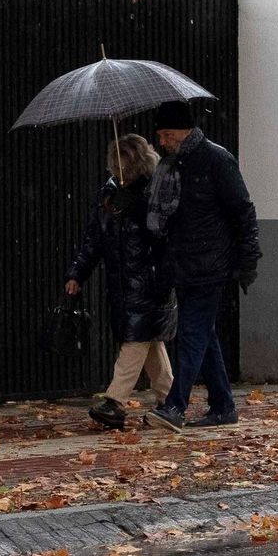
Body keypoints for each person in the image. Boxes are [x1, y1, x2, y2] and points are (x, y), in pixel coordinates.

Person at [144, 100, 261, 433]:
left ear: (184, 130)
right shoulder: (172, 165)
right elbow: (166, 216)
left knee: (192, 335)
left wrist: (248, 259)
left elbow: (243, 211)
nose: (162, 142)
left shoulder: (216, 160)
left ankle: (175, 406)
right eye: (160, 135)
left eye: (167, 134)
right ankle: (223, 405)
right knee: (203, 336)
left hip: (210, 265)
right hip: (183, 264)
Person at [64, 134, 178, 430]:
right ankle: (172, 400)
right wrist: (77, 273)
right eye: (116, 168)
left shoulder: (154, 191)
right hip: (123, 283)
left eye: (124, 167)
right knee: (149, 341)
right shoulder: (109, 196)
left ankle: (115, 402)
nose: (119, 173)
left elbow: (164, 234)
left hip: (150, 282)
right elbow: (94, 238)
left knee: (136, 340)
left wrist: (139, 207)